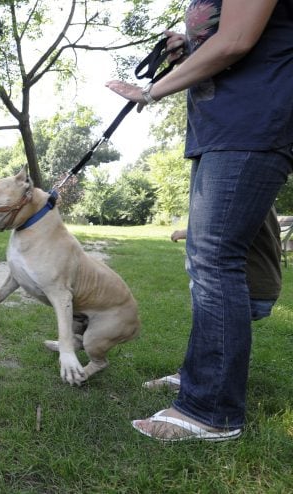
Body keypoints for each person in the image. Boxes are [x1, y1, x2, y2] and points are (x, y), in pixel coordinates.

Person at [107, 0, 293, 442]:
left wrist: (152, 91)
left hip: (250, 124)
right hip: (223, 130)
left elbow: (235, 42)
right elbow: (224, 42)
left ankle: (211, 409)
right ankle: (204, 377)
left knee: (214, 261)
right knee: (208, 262)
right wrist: (188, 48)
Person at [146, 208, 282, 390]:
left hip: (246, 282)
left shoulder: (240, 183)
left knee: (214, 328)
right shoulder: (255, 188)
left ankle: (204, 382)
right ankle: (217, 376)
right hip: (259, 280)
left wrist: (190, 232)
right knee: (222, 330)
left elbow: (227, 222)